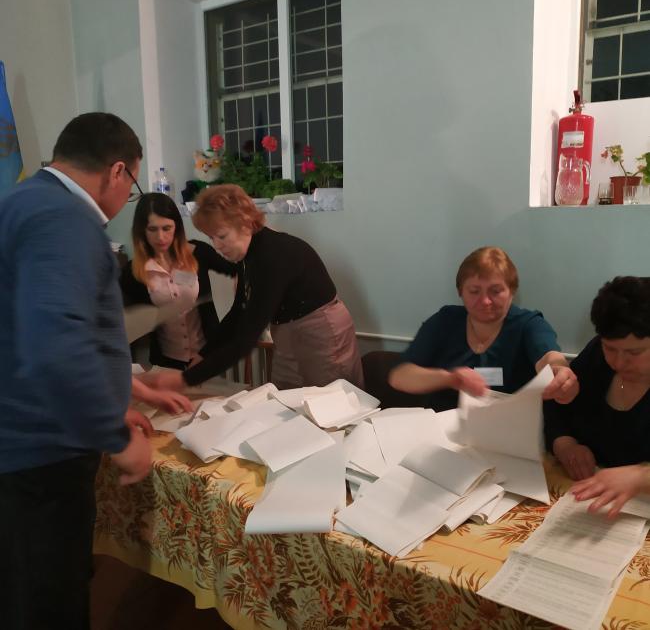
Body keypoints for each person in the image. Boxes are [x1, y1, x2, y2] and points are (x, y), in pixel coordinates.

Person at [0, 112, 152, 630]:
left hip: (22, 440)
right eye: (131, 185)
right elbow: (55, 345)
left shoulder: (22, 200)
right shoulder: (65, 219)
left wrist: (118, 391)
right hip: (40, 455)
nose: (124, 199)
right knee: (49, 603)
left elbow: (25, 326)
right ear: (117, 171)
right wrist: (115, 434)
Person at [142, 184, 363, 391]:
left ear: (246, 223)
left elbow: (245, 340)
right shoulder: (248, 255)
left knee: (331, 403)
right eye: (211, 238)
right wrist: (204, 354)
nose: (216, 245)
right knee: (284, 399)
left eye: (222, 236)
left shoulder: (271, 255)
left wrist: (184, 379)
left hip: (320, 331)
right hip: (286, 331)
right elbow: (238, 312)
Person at [389, 246, 578, 411]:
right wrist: (450, 379)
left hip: (509, 429)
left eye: (495, 291)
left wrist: (560, 371)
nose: (485, 301)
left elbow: (549, 356)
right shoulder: (445, 321)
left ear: (511, 291)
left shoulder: (528, 324)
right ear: (460, 292)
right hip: (444, 428)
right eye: (474, 291)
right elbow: (399, 376)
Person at [544, 276, 650, 515]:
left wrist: (640, 477)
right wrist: (565, 444)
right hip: (585, 505)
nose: (619, 362)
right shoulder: (596, 356)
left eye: (634, 352)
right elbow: (557, 406)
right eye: (610, 348)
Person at [120, 192, 237, 369]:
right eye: (152, 229)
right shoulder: (133, 271)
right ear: (142, 230)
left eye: (167, 228)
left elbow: (236, 270)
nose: (160, 237)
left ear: (177, 226)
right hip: (165, 362)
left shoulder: (198, 252)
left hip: (206, 355)